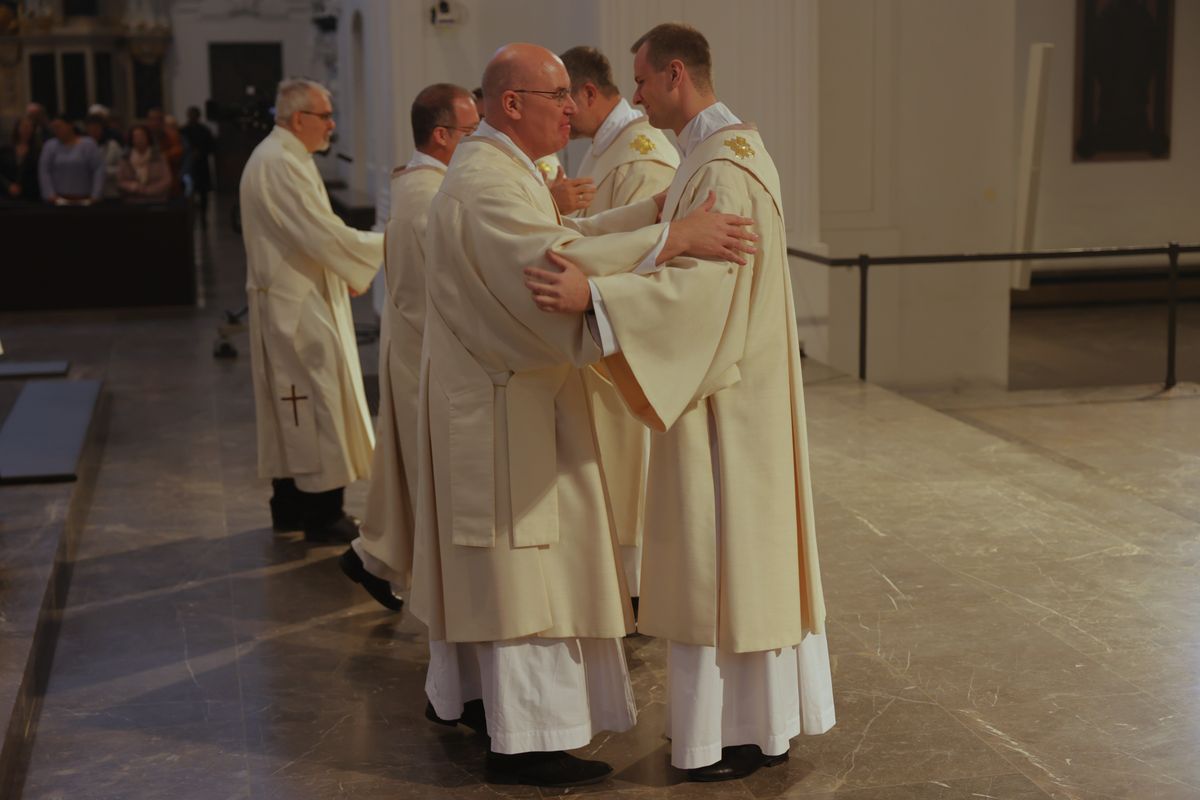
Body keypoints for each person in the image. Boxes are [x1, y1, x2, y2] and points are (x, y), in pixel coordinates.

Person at [408, 43, 756, 788]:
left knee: (522, 575)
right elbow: (547, 269)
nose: (573, 108)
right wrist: (675, 239)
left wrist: (646, 213)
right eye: (557, 94)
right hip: (505, 412)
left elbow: (564, 239)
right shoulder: (484, 184)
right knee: (526, 582)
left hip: (511, 402)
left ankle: (484, 708)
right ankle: (526, 741)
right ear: (512, 104)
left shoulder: (498, 168)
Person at [524, 23, 835, 782]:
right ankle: (758, 727)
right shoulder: (717, 155)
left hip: (723, 398)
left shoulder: (724, 170)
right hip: (731, 391)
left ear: (673, 76)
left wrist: (593, 295)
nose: (632, 97)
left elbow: (700, 294)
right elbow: (667, 231)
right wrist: (581, 239)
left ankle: (732, 735)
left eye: (639, 82)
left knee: (719, 570)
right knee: (736, 570)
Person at [341, 83, 480, 611]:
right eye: (472, 131)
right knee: (429, 481)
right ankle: (433, 594)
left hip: (410, 343)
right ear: (442, 136)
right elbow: (454, 288)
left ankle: (371, 558)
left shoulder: (420, 181)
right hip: (428, 349)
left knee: (404, 473)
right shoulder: (433, 196)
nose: (480, 140)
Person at [557, 44, 681, 610]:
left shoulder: (642, 155)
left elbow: (647, 258)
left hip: (622, 332)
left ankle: (632, 589)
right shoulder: (604, 149)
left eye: (565, 100)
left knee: (629, 470)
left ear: (586, 93)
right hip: (597, 324)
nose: (561, 115)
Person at [239, 78, 384, 543]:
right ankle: (323, 515)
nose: (332, 124)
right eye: (325, 115)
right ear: (299, 119)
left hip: (294, 296)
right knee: (316, 403)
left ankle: (291, 507)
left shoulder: (283, 156)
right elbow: (319, 232)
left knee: (291, 409)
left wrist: (342, 269)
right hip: (296, 305)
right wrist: (385, 244)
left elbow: (309, 233)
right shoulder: (280, 161)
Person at [38, 117, 104, 204]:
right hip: (59, 199)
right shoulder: (50, 146)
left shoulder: (88, 144)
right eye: (54, 128)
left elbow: (98, 170)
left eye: (59, 127)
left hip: (85, 199)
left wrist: (96, 195)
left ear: (70, 126)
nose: (56, 130)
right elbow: (44, 171)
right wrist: (50, 194)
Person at [116, 124, 172, 203]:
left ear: (148, 138)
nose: (139, 139)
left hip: (157, 200)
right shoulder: (125, 158)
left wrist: (149, 190)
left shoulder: (158, 157)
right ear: (131, 139)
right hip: (132, 200)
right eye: (136, 137)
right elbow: (120, 181)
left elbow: (167, 180)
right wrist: (133, 187)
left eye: (142, 136)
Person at [180, 106, 217, 221]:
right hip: (188, 166)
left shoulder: (204, 131)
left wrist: (200, 152)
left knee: (203, 193)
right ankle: (190, 216)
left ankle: (203, 217)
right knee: (188, 192)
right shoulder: (183, 131)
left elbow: (212, 147)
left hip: (201, 165)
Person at [0, 117, 42, 203]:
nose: (27, 130)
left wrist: (22, 187)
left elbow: (38, 173)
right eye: (24, 126)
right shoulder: (6, 149)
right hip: (6, 195)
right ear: (17, 128)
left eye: (30, 127)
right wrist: (8, 186)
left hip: (30, 196)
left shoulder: (37, 150)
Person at [146, 107, 183, 196]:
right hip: (147, 182)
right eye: (151, 119)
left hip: (169, 182)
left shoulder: (172, 136)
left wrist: (160, 157)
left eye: (157, 120)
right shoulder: (144, 135)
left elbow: (177, 153)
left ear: (162, 122)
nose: (154, 123)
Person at [85, 113, 122, 200]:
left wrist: (102, 172)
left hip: (110, 192)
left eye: (96, 128)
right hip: (88, 192)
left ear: (103, 129)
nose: (93, 131)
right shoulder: (82, 146)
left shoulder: (113, 145)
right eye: (91, 128)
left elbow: (122, 169)